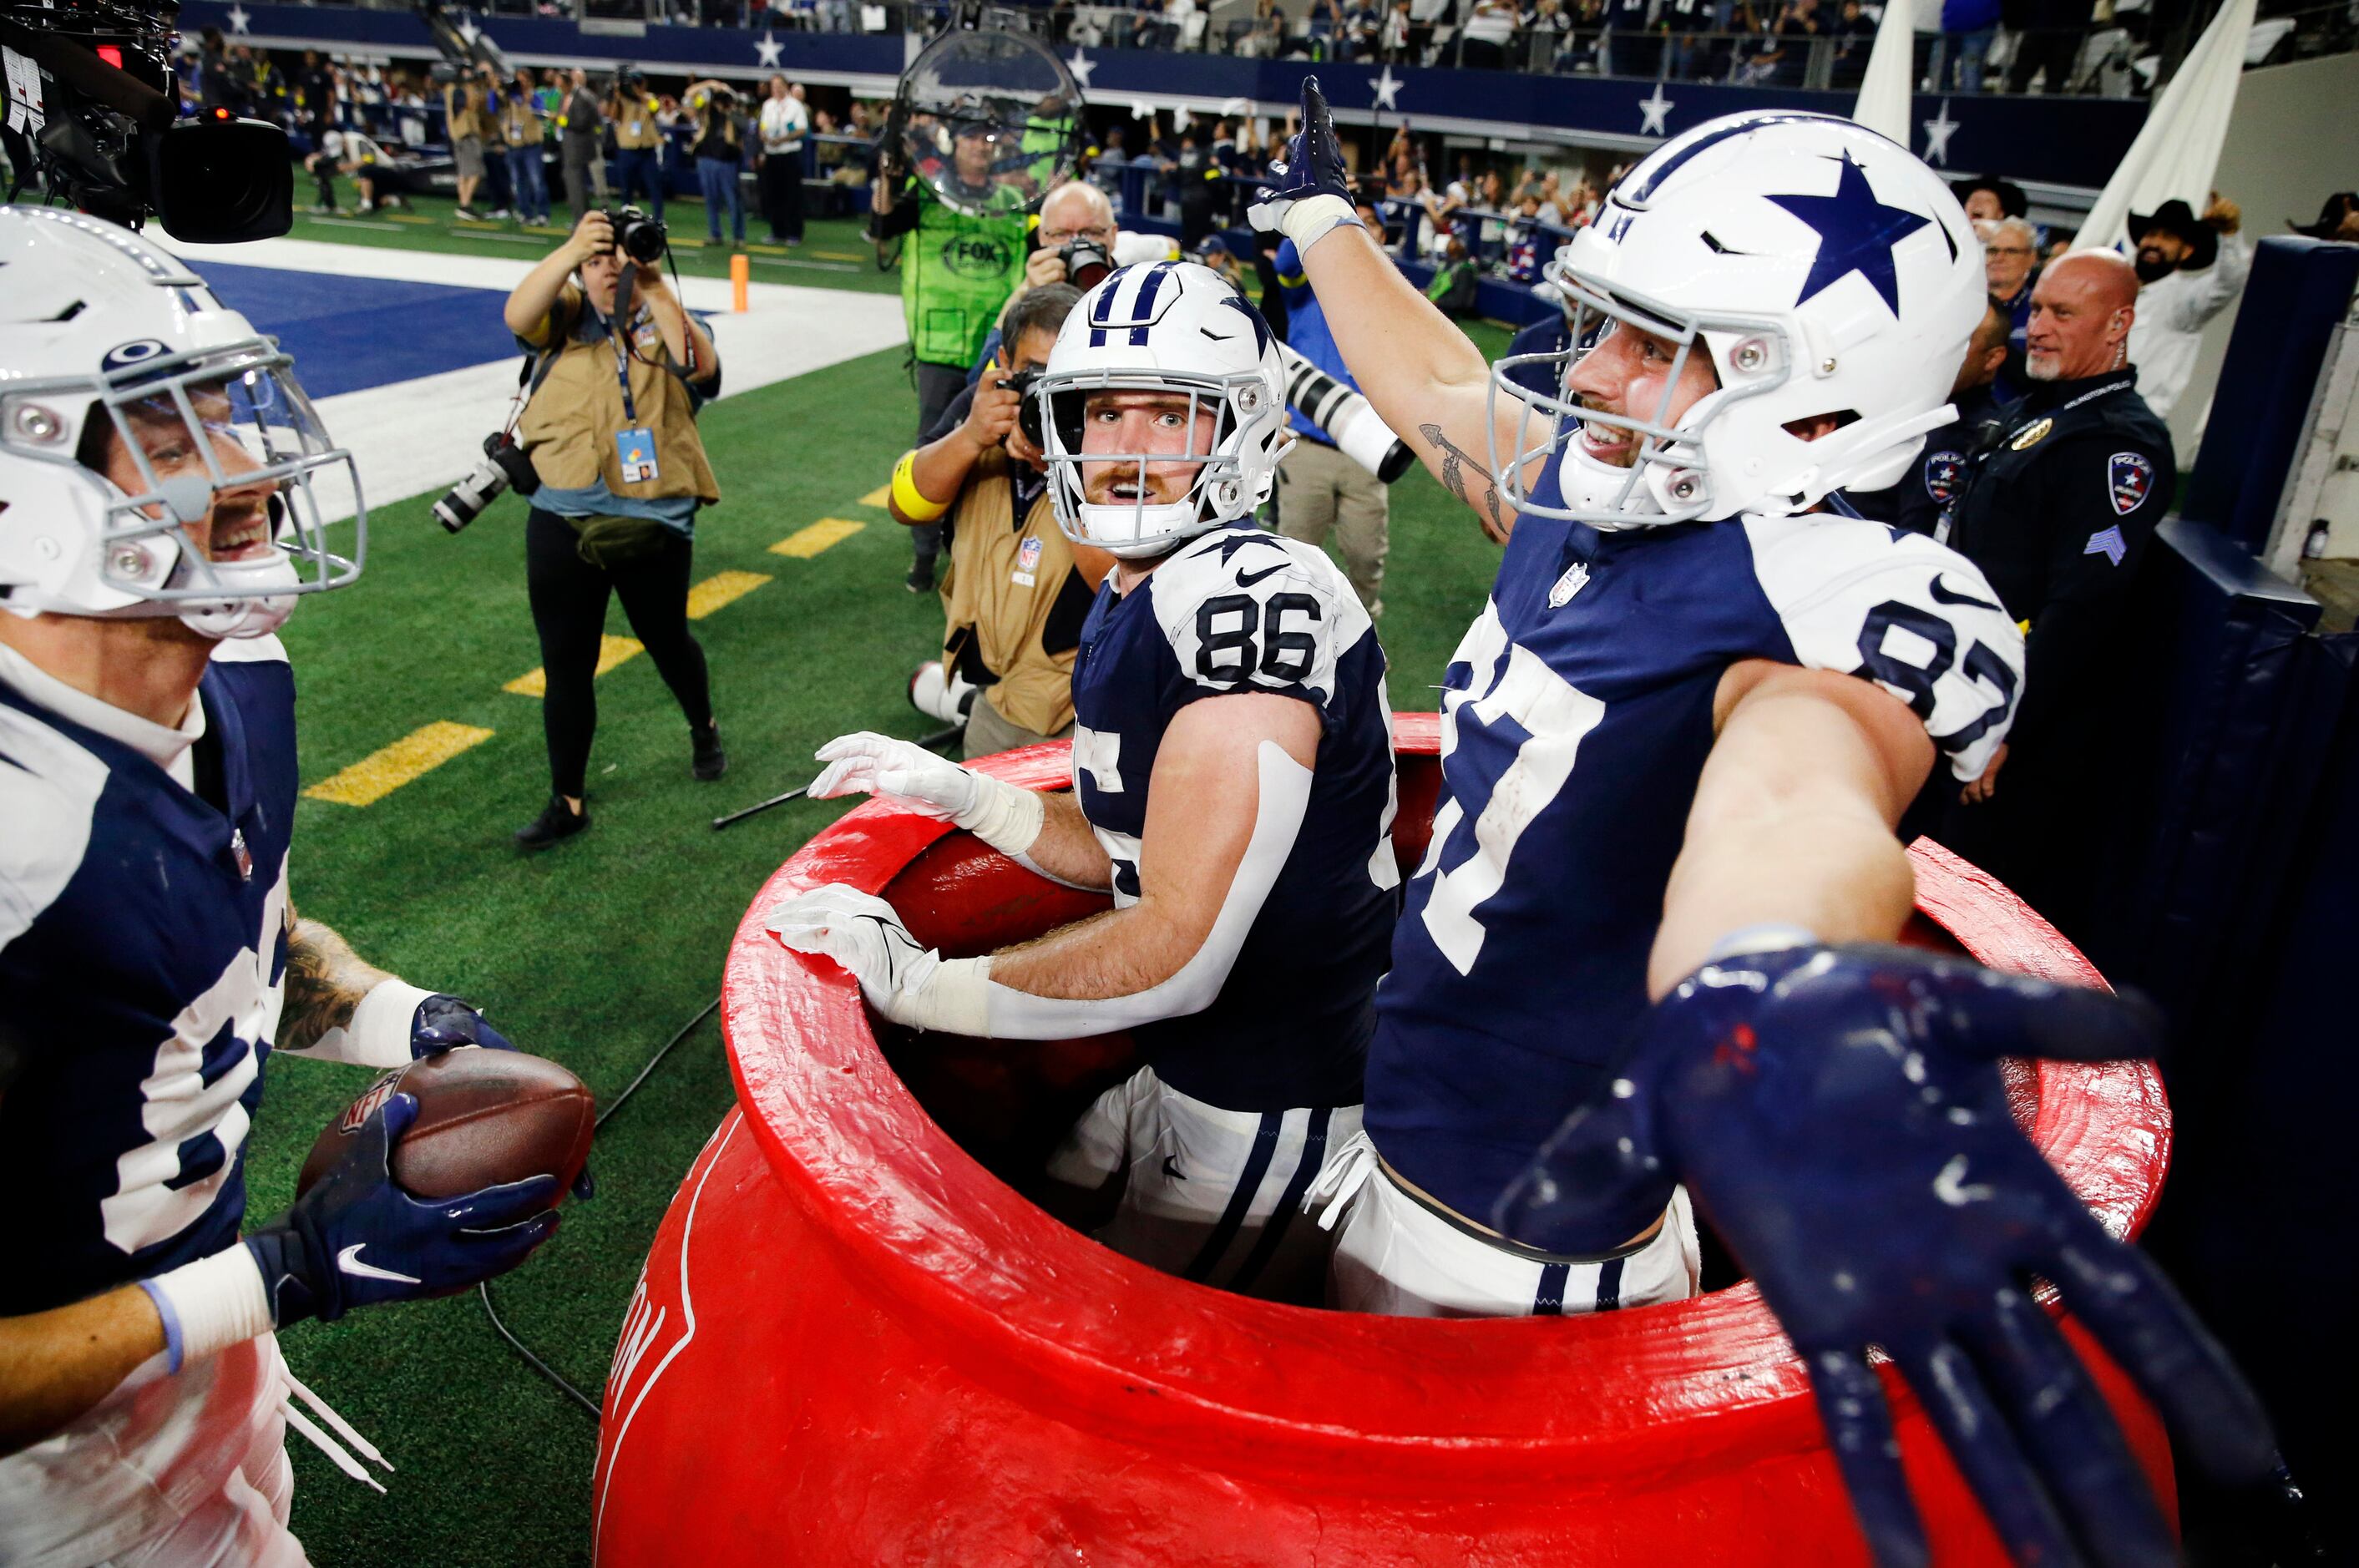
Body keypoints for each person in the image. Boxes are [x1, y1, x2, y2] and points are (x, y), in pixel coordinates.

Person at [1252, 85, 2270, 1560]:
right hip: (1423, 1134)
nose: (1590, 369)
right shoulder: (1615, 492)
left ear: (1810, 390)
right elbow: (1443, 393)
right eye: (1603, 322)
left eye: (1650, 344)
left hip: (1516, 1243)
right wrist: (1326, 223)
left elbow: (1799, 790)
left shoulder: (1836, 596)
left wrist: (1766, 969)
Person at [0, 205, 570, 1566]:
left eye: (227, 404)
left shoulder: (236, 673)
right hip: (54, 1470)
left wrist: (403, 1022)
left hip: (202, 1347)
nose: (247, 457)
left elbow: (246, 943)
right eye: (171, 423)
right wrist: (279, 1273)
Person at [768, 261, 1399, 1306]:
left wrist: (916, 984)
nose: (1125, 451)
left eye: (1170, 415)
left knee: (1111, 1327)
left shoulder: (1247, 600)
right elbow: (1132, 850)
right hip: (1190, 1058)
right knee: (1045, 1189)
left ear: (1241, 431)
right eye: (1103, 413)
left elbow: (1176, 951)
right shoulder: (1142, 580)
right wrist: (962, 795)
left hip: (1270, 1092)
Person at [1938, 252, 2172, 943]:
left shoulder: (2114, 444)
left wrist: (2006, 725)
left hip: (2015, 738)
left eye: (2061, 314)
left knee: (1968, 918)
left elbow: (2084, 604)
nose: (2035, 328)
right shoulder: (2044, 411)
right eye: (2035, 309)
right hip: (1964, 700)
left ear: (2118, 323)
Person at [500, 210, 726, 848]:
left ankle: (702, 726)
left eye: (618, 258)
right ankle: (566, 800)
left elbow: (699, 365)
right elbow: (518, 315)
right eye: (597, 261)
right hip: (561, 518)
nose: (609, 272)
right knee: (566, 664)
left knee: (665, 640)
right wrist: (574, 245)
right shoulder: (562, 320)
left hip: (653, 519)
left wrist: (653, 281)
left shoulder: (664, 317)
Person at [884, 285, 1116, 756]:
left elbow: (1116, 585)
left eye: (1067, 373)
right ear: (1006, 363)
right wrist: (971, 436)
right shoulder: (981, 406)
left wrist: (1063, 466)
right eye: (1034, 373)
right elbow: (905, 505)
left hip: (1079, 704)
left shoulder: (1107, 426)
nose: (1050, 390)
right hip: (996, 696)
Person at [870, 120, 1031, 593]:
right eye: (969, 138)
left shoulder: (1012, 202)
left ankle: (982, 550)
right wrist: (888, 171)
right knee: (937, 446)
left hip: (1001, 348)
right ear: (952, 145)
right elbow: (881, 224)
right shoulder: (925, 194)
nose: (979, 147)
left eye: (987, 139)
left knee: (1005, 449)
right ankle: (925, 555)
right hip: (940, 345)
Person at [1272, 199, 1392, 616]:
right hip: (1307, 448)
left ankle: (1361, 641)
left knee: (1365, 557)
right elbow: (1287, 261)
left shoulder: (1393, 297)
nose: (1357, 231)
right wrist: (1315, 207)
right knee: (1293, 560)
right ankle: (1286, 645)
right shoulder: (1308, 288)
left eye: (1367, 225)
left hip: (1366, 451)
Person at [1847, 298, 2013, 539]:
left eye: (1961, 341)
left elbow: (1918, 538)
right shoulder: (1895, 406)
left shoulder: (1969, 437)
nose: (1941, 349)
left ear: (1993, 358)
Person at [2125, 194, 2250, 422]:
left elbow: (2228, 282)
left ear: (2186, 251)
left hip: (2136, 420)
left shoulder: (2184, 298)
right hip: (2085, 414)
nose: (2155, 243)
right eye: (2151, 234)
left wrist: (2229, 234)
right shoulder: (2117, 290)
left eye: (2168, 238)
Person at [1982, 214, 2040, 397]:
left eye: (2011, 251)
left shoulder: (2040, 312)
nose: (1999, 257)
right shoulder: (1966, 306)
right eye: (1992, 250)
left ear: (2031, 258)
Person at [683, 80, 747, 246]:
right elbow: (689, 93)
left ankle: (738, 236)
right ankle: (715, 234)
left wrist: (730, 104)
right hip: (707, 158)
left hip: (727, 161)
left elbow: (745, 126)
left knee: (733, 200)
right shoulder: (707, 110)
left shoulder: (735, 113)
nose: (720, 102)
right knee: (711, 199)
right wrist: (710, 84)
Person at [608, 68, 666, 222]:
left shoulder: (649, 98)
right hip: (627, 149)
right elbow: (612, 117)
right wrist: (617, 95)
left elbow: (655, 109)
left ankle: (658, 219)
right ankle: (626, 217)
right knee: (626, 188)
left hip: (646, 150)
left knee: (654, 187)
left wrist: (638, 94)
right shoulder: (622, 100)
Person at [497, 66, 552, 228]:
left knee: (537, 181)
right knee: (519, 182)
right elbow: (494, 106)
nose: (520, 83)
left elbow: (543, 115)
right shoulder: (510, 97)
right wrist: (499, 88)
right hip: (514, 145)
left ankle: (543, 214)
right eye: (518, 79)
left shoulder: (536, 97)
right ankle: (526, 213)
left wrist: (530, 101)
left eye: (523, 80)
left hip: (531, 146)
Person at [757, 76, 808, 245]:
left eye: (779, 86)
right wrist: (764, 136)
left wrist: (783, 139)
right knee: (773, 193)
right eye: (773, 86)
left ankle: (794, 233)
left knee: (792, 194)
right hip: (772, 154)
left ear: (786, 86)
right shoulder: (768, 105)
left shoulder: (795, 106)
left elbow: (801, 129)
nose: (776, 89)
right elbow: (763, 126)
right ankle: (777, 231)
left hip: (789, 154)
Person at [557, 68, 605, 225]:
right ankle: (581, 218)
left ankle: (581, 221)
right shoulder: (567, 97)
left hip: (580, 147)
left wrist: (561, 121)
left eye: (560, 85)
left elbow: (582, 122)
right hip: (571, 146)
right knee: (575, 184)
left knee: (576, 184)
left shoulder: (584, 97)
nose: (559, 89)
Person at [443, 64, 491, 220]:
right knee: (475, 171)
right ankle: (465, 204)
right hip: (466, 133)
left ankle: (464, 204)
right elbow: (470, 105)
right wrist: (477, 87)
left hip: (458, 133)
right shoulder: (459, 89)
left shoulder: (450, 88)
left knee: (463, 172)